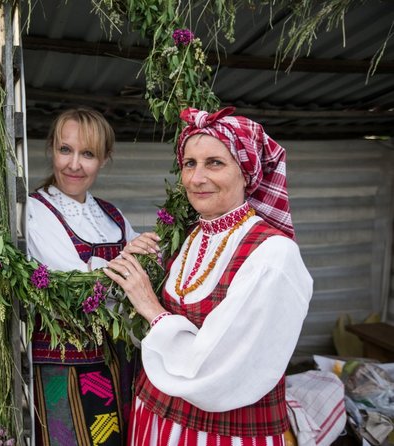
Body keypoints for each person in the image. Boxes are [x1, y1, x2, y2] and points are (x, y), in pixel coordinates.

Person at [103, 107, 313, 446]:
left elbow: (225, 365)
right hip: (155, 418)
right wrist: (142, 263)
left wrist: (151, 306)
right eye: (190, 164)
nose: (196, 178)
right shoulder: (188, 237)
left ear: (246, 173)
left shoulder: (274, 255)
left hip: (218, 434)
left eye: (215, 162)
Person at [27, 107, 139, 446]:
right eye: (65, 150)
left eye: (87, 154)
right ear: (51, 149)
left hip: (115, 361)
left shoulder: (111, 214)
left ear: (104, 159)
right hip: (63, 367)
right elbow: (72, 282)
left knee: (114, 438)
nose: (74, 164)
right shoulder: (35, 210)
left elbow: (144, 278)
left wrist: (133, 264)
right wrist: (127, 263)